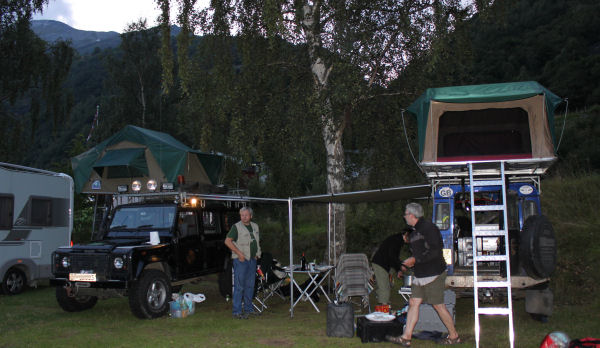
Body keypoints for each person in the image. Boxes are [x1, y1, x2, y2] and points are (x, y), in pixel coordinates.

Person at [387, 203, 461, 346]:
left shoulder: (429, 228)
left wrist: (415, 260)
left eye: (405, 214)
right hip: (420, 275)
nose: (404, 217)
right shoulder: (414, 232)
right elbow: (418, 254)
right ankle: (406, 337)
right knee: (413, 302)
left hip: (433, 273)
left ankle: (454, 336)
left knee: (438, 305)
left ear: (412, 215)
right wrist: (409, 264)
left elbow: (435, 250)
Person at [224, 206, 262, 319]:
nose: (244, 217)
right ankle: (236, 311)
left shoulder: (255, 226)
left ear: (251, 215)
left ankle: (248, 309)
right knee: (239, 286)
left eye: (246, 215)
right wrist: (239, 253)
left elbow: (257, 241)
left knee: (250, 286)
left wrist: (257, 253)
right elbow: (227, 241)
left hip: (252, 260)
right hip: (241, 260)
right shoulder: (236, 227)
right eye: (242, 215)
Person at [371, 231, 406, 307]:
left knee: (386, 286)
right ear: (406, 234)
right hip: (379, 264)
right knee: (384, 288)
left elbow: (394, 257)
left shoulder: (399, 240)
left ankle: (384, 304)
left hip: (385, 264)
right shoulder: (396, 240)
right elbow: (392, 256)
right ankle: (383, 308)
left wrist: (398, 269)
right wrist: (399, 268)